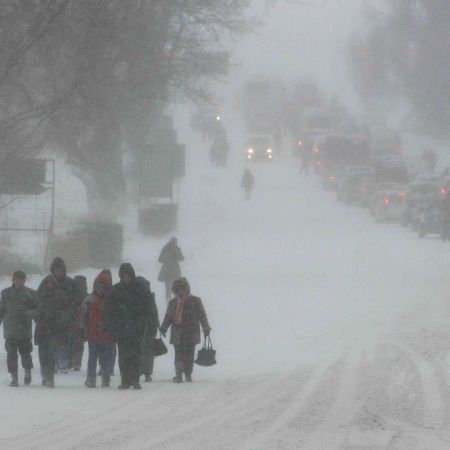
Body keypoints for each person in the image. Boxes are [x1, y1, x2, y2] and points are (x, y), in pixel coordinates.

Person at [103, 263, 150, 390]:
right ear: (121, 276)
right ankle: (125, 380)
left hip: (136, 328)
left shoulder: (140, 289)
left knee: (135, 355)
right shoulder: (116, 290)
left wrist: (144, 323)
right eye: (124, 276)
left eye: (128, 275)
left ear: (132, 275)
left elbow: (146, 309)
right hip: (121, 329)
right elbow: (109, 310)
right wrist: (109, 326)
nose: (126, 278)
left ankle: (135, 380)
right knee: (123, 356)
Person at [160, 277, 211, 383]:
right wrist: (164, 327)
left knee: (189, 354)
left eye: (182, 288)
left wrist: (205, 327)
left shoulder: (195, 301)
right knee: (178, 354)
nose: (180, 291)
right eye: (177, 289)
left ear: (186, 288)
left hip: (191, 332)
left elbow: (202, 315)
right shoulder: (173, 302)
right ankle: (178, 375)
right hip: (177, 333)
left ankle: (188, 373)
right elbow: (168, 316)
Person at [39, 257, 76, 374]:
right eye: (56, 269)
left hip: (66, 317)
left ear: (64, 270)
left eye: (61, 269)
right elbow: (38, 298)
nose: (59, 271)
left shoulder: (70, 283)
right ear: (53, 269)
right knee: (51, 342)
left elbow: (76, 299)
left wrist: (70, 313)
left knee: (65, 341)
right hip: (49, 319)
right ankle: (53, 363)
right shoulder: (46, 282)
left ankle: (64, 363)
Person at [0, 271, 37, 387]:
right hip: (10, 330)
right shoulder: (5, 293)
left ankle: (27, 372)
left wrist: (31, 313)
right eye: (16, 279)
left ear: (24, 281)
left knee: (26, 354)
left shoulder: (31, 294)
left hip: (24, 331)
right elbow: (1, 310)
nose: (18, 282)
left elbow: (37, 309)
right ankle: (14, 377)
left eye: (21, 279)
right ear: (13, 280)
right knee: (11, 355)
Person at [34, 275, 69, 388]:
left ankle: (50, 377)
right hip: (41, 328)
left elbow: (65, 311)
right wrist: (36, 315)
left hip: (54, 328)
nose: (50, 285)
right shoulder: (39, 295)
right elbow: (34, 309)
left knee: (50, 353)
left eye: (52, 283)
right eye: (47, 283)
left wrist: (57, 317)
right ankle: (44, 374)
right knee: (42, 353)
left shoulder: (61, 295)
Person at [81, 272, 114, 388]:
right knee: (92, 358)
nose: (100, 289)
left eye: (102, 286)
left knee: (104, 358)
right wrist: (83, 329)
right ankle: (91, 378)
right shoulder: (89, 300)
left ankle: (105, 378)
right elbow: (83, 316)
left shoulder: (110, 300)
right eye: (97, 286)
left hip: (105, 334)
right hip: (93, 334)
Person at [136, 276, 159, 382]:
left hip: (144, 327)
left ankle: (141, 371)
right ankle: (147, 373)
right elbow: (154, 313)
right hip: (149, 327)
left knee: (140, 350)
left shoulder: (137, 297)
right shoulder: (150, 297)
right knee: (147, 352)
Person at [69, 275, 87, 371]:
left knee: (74, 343)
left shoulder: (71, 294)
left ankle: (73, 362)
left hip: (76, 322)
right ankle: (77, 362)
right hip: (79, 322)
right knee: (78, 344)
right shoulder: (86, 295)